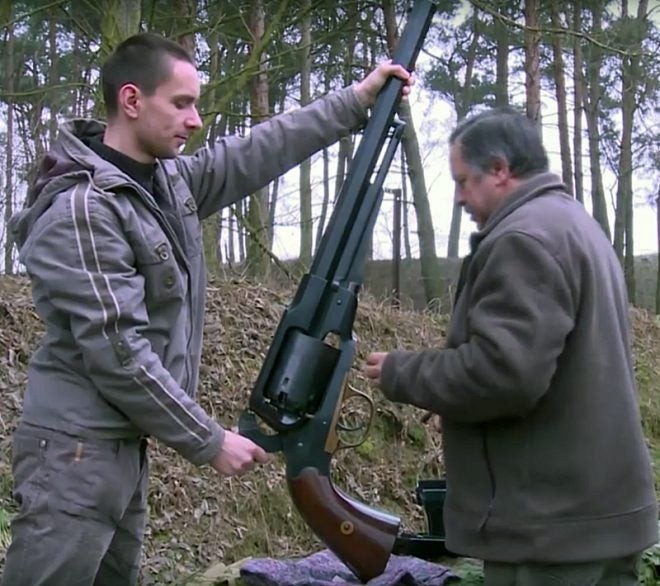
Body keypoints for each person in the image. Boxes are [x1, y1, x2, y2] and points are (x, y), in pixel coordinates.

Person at [2, 32, 413, 585]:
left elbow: (255, 151)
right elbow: (120, 353)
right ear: (131, 100)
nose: (195, 120)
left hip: (117, 448)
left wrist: (355, 101)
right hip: (75, 455)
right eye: (181, 103)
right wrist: (209, 440)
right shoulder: (84, 210)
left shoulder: (164, 183)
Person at [365, 107, 658, 585]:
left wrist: (403, 373)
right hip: (590, 520)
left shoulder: (522, 239)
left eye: (464, 181)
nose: (459, 197)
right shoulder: (572, 222)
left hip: (550, 533)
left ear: (500, 169)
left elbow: (503, 374)